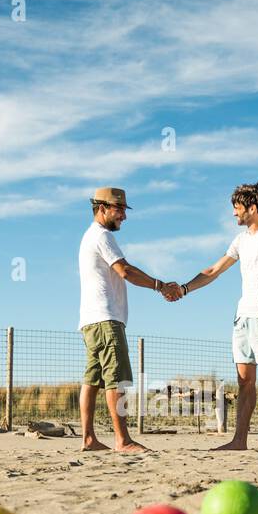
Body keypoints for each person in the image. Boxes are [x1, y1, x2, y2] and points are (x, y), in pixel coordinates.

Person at [180, 182, 258, 450]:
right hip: (242, 317)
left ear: (252, 208)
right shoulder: (241, 240)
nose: (233, 214)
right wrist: (184, 288)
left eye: (237, 208)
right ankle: (239, 440)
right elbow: (214, 270)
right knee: (244, 380)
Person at [77, 186, 181, 452]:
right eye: (119, 209)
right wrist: (160, 285)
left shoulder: (89, 236)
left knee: (92, 380)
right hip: (106, 319)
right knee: (117, 379)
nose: (123, 215)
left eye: (124, 209)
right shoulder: (102, 236)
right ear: (102, 208)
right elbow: (125, 271)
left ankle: (89, 439)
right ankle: (122, 440)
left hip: (90, 321)